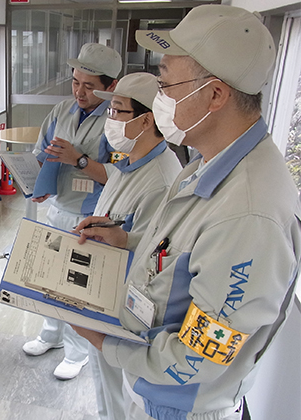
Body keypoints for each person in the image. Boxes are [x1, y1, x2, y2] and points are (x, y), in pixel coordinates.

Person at [74, 5, 301, 420]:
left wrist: (105, 341)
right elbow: (191, 251)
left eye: (166, 86)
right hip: (153, 387)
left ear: (215, 94)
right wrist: (130, 240)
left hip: (181, 407)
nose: (159, 100)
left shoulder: (249, 215)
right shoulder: (208, 161)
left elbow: (198, 358)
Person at [52, 72, 181, 419]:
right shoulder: (126, 165)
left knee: (122, 392)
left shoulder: (162, 180)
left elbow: (162, 259)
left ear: (146, 120)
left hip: (127, 312)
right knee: (106, 386)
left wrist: (125, 240)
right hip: (105, 296)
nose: (109, 120)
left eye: (117, 112)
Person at [22, 42, 121, 380]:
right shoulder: (62, 110)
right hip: (58, 207)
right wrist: (35, 182)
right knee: (50, 278)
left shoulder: (117, 121)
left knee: (78, 286)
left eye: (89, 85)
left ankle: (77, 352)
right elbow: (41, 152)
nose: (79, 91)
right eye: (75, 81)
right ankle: (50, 336)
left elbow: (118, 177)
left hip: (93, 217)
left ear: (111, 87)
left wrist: (79, 159)